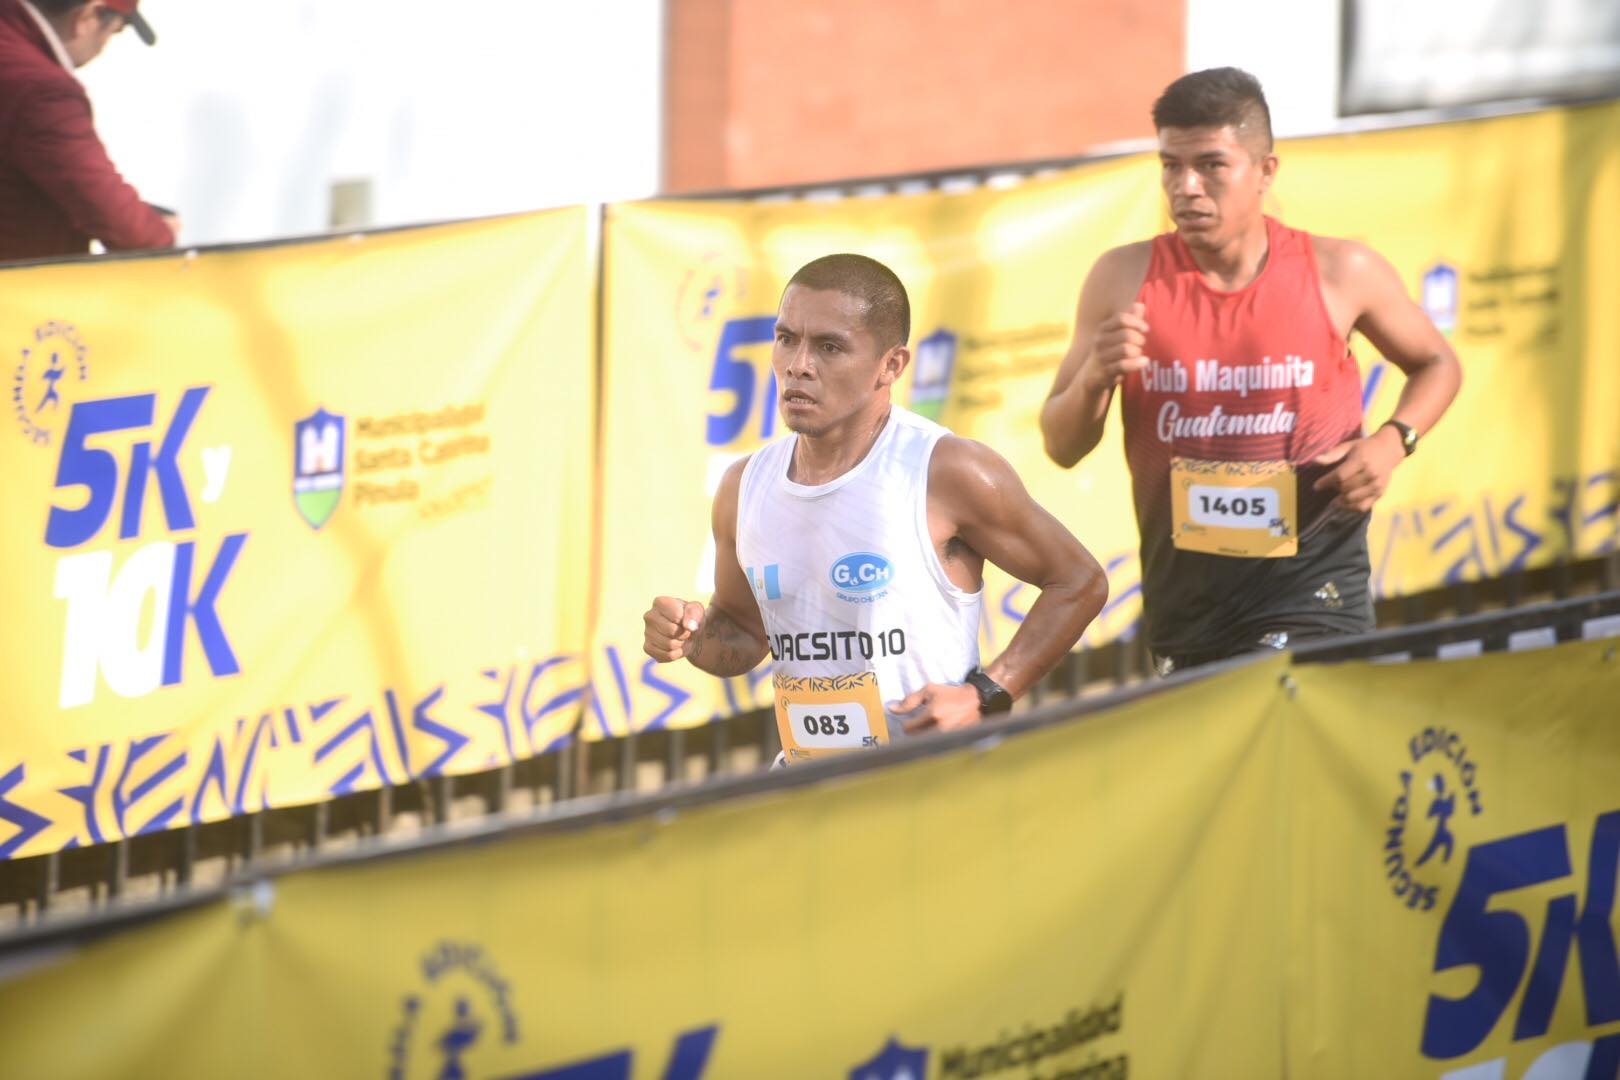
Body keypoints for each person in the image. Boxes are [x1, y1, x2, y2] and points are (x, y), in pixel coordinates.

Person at [1040, 67, 1461, 674]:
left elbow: (1437, 362)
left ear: (1265, 172)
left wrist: (1396, 441)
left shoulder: (1342, 271)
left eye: (1211, 165)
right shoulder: (1123, 279)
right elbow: (1062, 446)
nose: (1186, 187)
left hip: (1314, 590)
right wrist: (1095, 378)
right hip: (1186, 604)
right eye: (1169, 166)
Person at [644, 254, 1107, 764]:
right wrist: (689, 636)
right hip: (807, 788)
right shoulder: (743, 486)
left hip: (930, 785)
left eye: (829, 346)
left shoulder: (946, 470)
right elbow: (744, 632)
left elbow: (1079, 581)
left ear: (891, 366)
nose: (798, 364)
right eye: (785, 339)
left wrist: (985, 693)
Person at [0, 0, 177, 262]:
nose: (103, 47)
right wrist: (163, 234)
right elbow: (133, 234)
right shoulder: (42, 93)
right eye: (114, 32)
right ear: (88, 15)